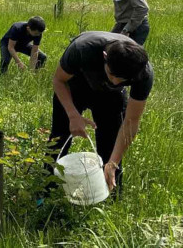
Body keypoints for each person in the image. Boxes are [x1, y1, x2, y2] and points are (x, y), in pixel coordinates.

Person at [46, 32, 153, 192]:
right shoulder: (82, 49)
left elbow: (131, 121)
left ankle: (111, 195)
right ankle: (46, 189)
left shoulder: (142, 73)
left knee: (110, 143)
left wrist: (113, 162)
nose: (115, 82)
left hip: (110, 98)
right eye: (112, 74)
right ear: (105, 57)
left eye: (123, 80)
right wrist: (73, 115)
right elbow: (59, 80)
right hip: (74, 88)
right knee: (59, 138)